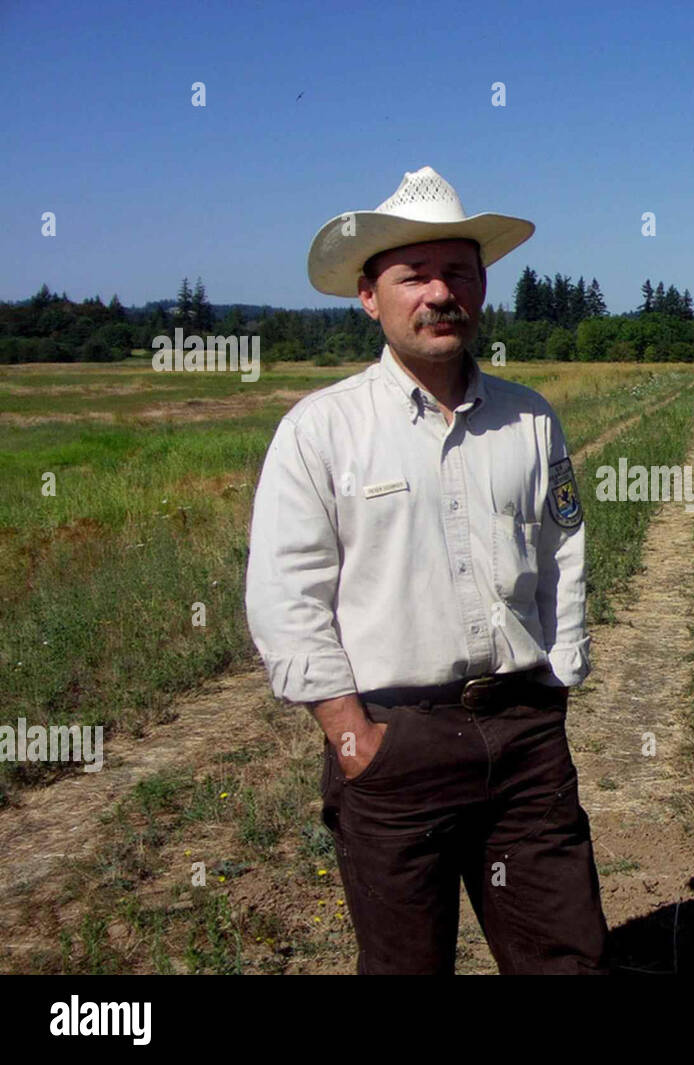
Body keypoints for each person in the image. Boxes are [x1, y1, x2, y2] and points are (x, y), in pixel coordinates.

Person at [244, 166, 608, 974]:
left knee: (569, 956)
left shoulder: (531, 419)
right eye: (415, 276)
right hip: (394, 745)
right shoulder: (321, 431)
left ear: (481, 287)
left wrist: (557, 682)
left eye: (459, 272)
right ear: (370, 296)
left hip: (523, 738)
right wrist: (352, 737)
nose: (440, 293)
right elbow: (286, 595)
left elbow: (563, 553)